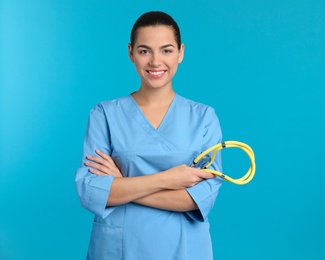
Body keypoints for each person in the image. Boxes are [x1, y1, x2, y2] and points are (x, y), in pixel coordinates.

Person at [75, 11, 223, 260]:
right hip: (118, 247)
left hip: (184, 247)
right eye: (145, 51)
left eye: (166, 50)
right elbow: (91, 191)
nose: (155, 61)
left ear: (181, 52)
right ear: (131, 52)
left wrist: (122, 183)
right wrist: (170, 178)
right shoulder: (105, 114)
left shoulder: (204, 117)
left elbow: (197, 200)